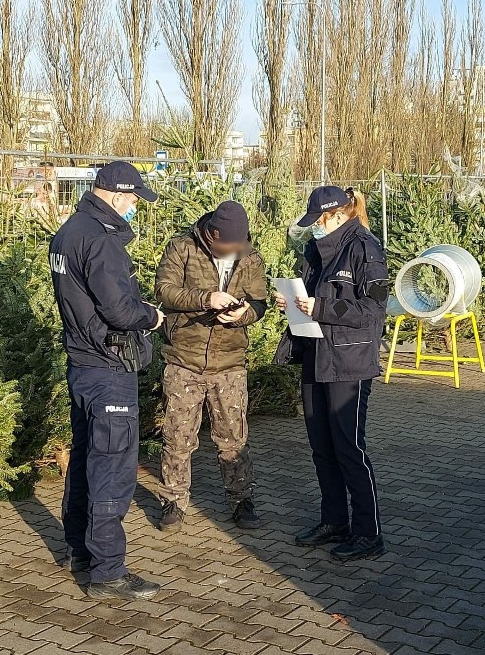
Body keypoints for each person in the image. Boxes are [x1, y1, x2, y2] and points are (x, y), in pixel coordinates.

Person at [49, 161, 165, 600]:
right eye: (134, 198)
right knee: (112, 469)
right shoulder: (101, 240)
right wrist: (150, 316)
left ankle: (80, 550)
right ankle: (109, 571)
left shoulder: (68, 232)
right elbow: (119, 311)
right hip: (108, 367)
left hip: (81, 363)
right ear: (115, 195)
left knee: (84, 459)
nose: (135, 206)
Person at [274, 185, 389, 561]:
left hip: (349, 363)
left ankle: (368, 533)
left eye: (319, 221)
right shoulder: (317, 250)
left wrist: (320, 306)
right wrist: (292, 302)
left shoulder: (364, 248)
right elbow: (312, 299)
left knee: (349, 448)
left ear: (339, 214)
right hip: (315, 355)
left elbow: (373, 312)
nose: (314, 229)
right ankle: (334, 519)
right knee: (322, 446)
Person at [155, 201, 268, 532]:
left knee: (234, 439)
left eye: (240, 245)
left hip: (230, 362)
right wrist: (207, 298)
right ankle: (173, 502)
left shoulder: (250, 257)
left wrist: (243, 314)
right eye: (229, 246)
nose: (236, 251)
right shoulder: (182, 248)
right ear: (212, 235)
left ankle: (241, 500)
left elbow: (259, 302)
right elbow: (165, 290)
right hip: (183, 361)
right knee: (177, 437)